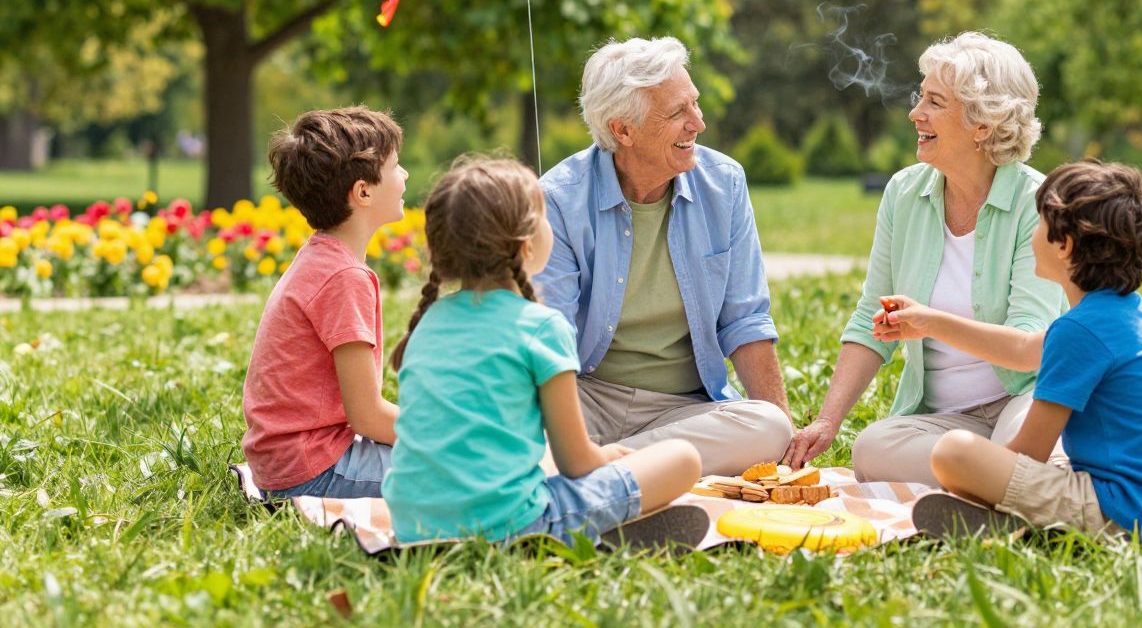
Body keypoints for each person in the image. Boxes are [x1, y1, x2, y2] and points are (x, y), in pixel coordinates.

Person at [785, 32, 1066, 485]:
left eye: (934, 102)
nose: (916, 113)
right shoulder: (904, 193)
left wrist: (930, 320)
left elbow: (1027, 347)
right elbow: (870, 320)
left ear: (982, 123)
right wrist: (827, 421)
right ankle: (1003, 484)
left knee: (1026, 447)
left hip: (1026, 401)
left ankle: (999, 478)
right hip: (944, 422)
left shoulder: (1038, 202)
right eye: (921, 97)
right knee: (871, 450)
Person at [383, 157, 705, 546]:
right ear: (527, 245)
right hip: (513, 526)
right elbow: (576, 462)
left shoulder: (426, 325)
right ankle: (592, 533)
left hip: (413, 528)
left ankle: (599, 528)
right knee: (683, 459)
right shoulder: (541, 327)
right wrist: (613, 458)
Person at [535, 37, 793, 477]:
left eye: (694, 103)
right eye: (678, 112)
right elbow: (549, 339)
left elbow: (745, 321)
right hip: (585, 398)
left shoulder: (724, 183)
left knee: (769, 427)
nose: (699, 122)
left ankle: (594, 471)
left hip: (681, 412)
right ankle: (630, 469)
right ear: (623, 131)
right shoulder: (556, 199)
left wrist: (784, 444)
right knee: (518, 438)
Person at [910, 161, 1142, 539]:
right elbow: (1025, 347)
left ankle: (1019, 523)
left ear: (1064, 246)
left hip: (1127, 513)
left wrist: (982, 475)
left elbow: (1029, 451)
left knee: (954, 453)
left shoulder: (1079, 330)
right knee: (974, 461)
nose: (1033, 232)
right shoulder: (1120, 311)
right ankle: (1017, 520)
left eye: (1040, 222)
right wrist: (930, 321)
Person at [242, 107, 408, 498]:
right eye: (397, 166)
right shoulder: (343, 279)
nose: (404, 176)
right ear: (363, 191)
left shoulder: (323, 257)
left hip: (291, 459)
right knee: (474, 472)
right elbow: (367, 416)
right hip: (312, 470)